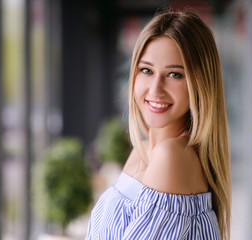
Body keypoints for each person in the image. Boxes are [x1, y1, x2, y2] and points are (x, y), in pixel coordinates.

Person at [86, 9, 231, 240]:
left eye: (174, 75)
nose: (155, 89)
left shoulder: (171, 156)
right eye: (146, 70)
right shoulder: (141, 153)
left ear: (200, 84)